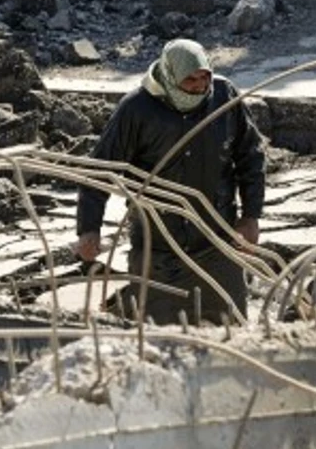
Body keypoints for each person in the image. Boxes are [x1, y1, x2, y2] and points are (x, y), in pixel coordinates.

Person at [74, 39, 266, 325]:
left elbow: (250, 155)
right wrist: (89, 229)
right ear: (169, 76)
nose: (200, 86)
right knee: (157, 338)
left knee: (230, 327)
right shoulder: (137, 109)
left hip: (216, 242)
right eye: (190, 80)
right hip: (158, 249)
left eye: (205, 77)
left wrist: (251, 215)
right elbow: (101, 170)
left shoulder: (224, 98)